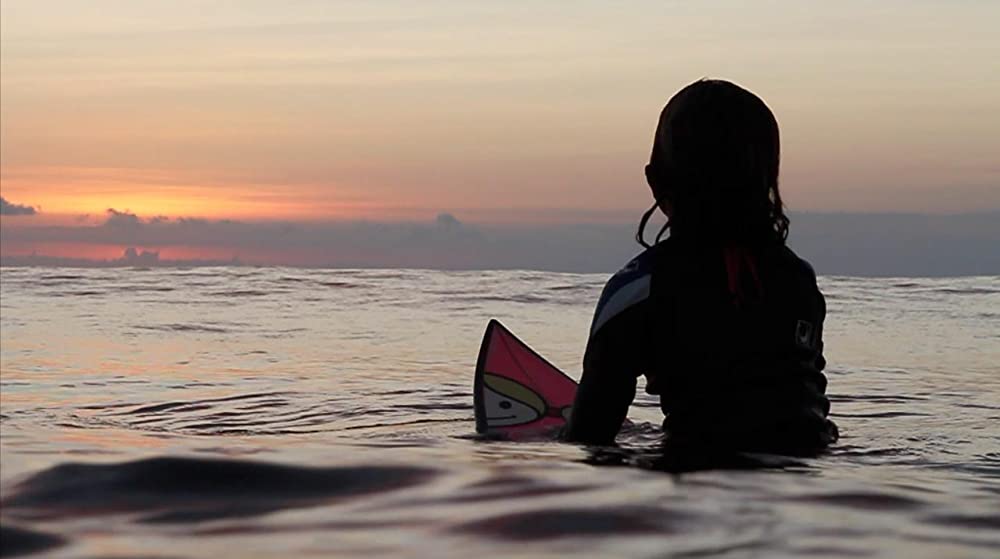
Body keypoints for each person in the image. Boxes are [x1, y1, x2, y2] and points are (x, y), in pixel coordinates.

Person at [564, 79, 838, 454]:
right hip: (807, 472)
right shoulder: (798, 280)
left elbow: (591, 434)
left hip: (696, 470)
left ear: (655, 180)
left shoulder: (640, 289)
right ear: (768, 180)